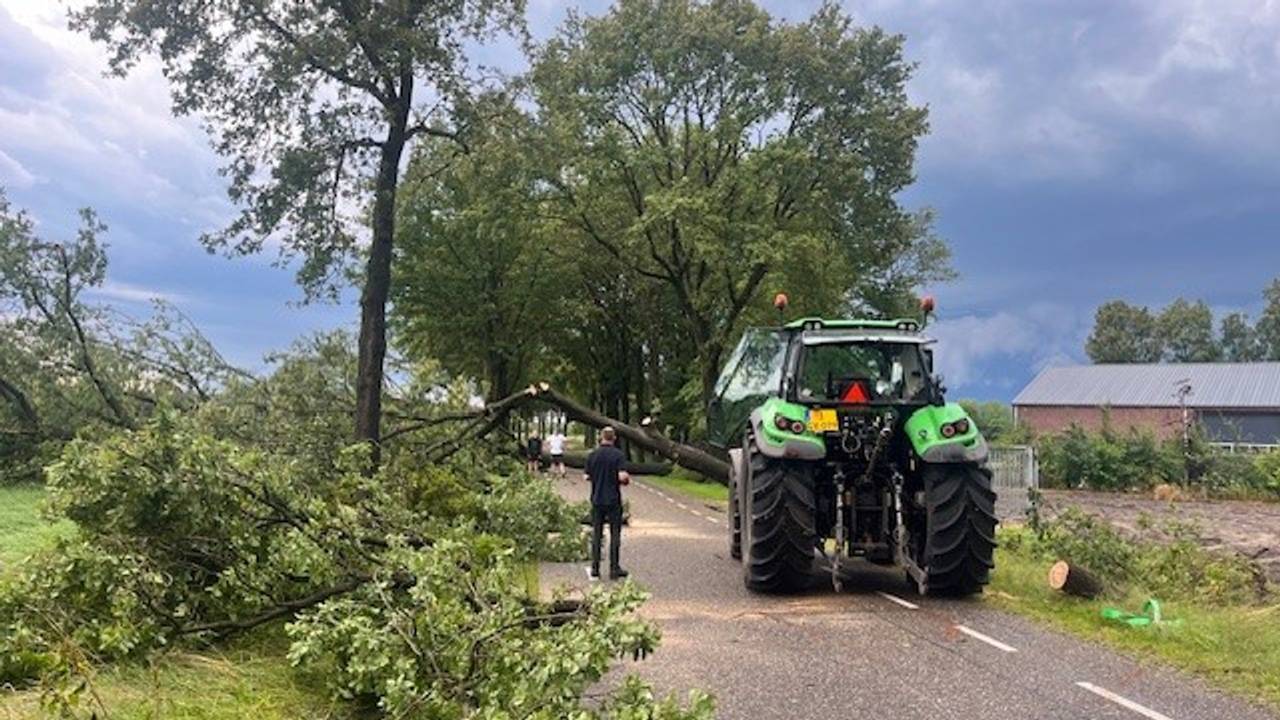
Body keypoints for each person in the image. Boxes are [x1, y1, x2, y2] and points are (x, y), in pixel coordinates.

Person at [583, 427, 630, 580]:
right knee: (615, 535)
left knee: (597, 534)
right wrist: (624, 480)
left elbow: (586, 477)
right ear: (614, 438)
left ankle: (595, 568)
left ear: (600, 437)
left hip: (597, 499)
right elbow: (622, 477)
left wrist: (597, 478)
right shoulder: (618, 455)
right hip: (613, 499)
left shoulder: (593, 455)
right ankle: (614, 569)